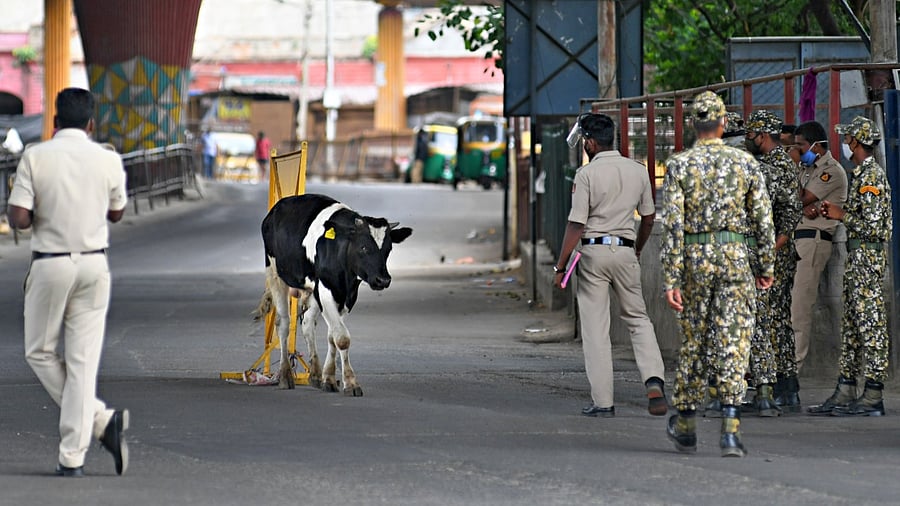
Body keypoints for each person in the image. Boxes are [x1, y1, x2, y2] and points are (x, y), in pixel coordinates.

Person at [6, 87, 130, 477]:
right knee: (82, 363)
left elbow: (20, 217)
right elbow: (117, 213)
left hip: (51, 265)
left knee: (39, 352)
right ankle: (74, 453)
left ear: (54, 122)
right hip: (95, 268)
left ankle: (98, 424)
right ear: (92, 124)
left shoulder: (35, 156)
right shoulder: (107, 159)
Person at [661, 91, 775, 457]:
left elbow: (672, 227)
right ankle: (730, 429)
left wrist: (671, 278)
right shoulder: (745, 164)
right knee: (734, 341)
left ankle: (688, 426)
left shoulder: (680, 165)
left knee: (694, 341)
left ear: (694, 124)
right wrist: (766, 266)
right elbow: (763, 220)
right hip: (735, 259)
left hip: (695, 258)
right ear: (724, 123)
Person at [552, 112, 667, 419]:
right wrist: (638, 249)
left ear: (589, 142)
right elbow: (649, 218)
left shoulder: (586, 175)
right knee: (638, 318)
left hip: (593, 254)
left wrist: (560, 267)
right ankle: (654, 380)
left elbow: (576, 225)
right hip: (627, 252)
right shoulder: (638, 170)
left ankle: (603, 402)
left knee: (595, 329)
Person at [808, 116, 892, 417]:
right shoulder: (861, 174)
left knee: (871, 327)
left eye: (847, 139)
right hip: (858, 261)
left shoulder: (870, 177)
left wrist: (842, 215)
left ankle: (873, 394)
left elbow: (870, 226)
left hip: (867, 260)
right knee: (854, 328)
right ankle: (845, 390)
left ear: (857, 142)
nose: (844, 144)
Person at [742, 110, 801, 416]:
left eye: (750, 135)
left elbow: (774, 217)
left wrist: (767, 251)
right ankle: (786, 385)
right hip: (781, 251)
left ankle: (772, 385)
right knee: (778, 320)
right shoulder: (786, 163)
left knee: (765, 320)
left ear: (762, 135)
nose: (748, 141)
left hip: (770, 253)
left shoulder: (769, 167)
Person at [789, 121, 847, 386]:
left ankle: (791, 374)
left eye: (801, 146)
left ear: (816, 146)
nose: (798, 152)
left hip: (813, 241)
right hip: (797, 239)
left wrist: (801, 204)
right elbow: (795, 203)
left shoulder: (830, 171)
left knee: (799, 309)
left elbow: (797, 199)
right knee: (787, 307)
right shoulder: (807, 169)